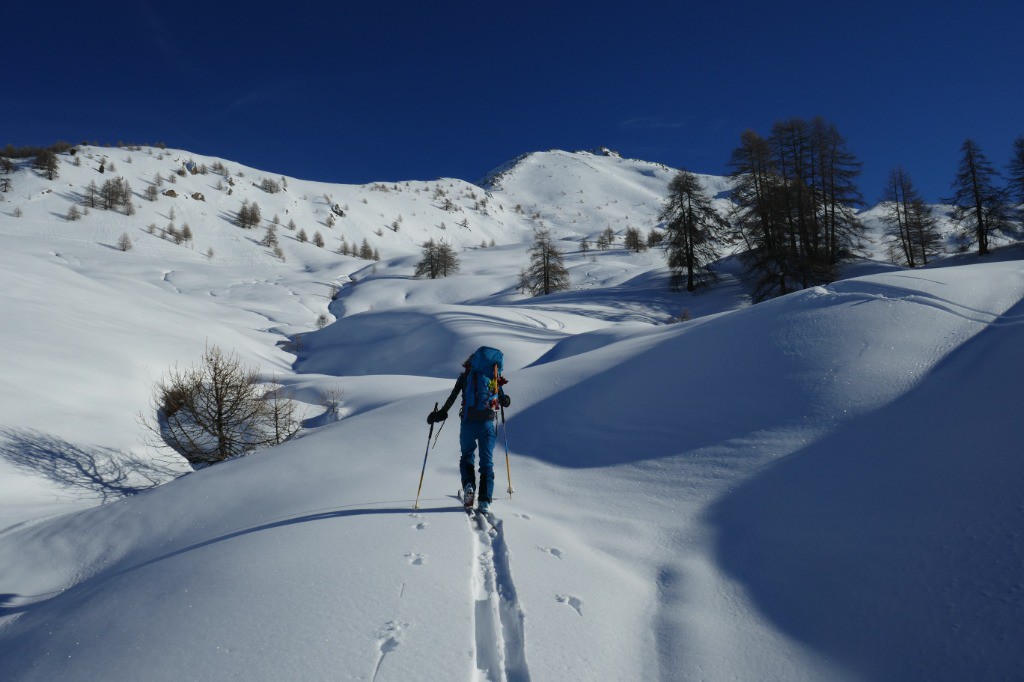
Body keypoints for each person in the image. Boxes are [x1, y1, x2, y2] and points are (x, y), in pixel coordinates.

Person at [427, 349, 510, 512]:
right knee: (487, 462)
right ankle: (485, 501)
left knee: (467, 456)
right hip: (487, 424)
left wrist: (439, 414)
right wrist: (505, 399)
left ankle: (469, 488)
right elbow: (504, 401)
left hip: (468, 424)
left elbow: (451, 399)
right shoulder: (493, 376)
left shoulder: (465, 376)